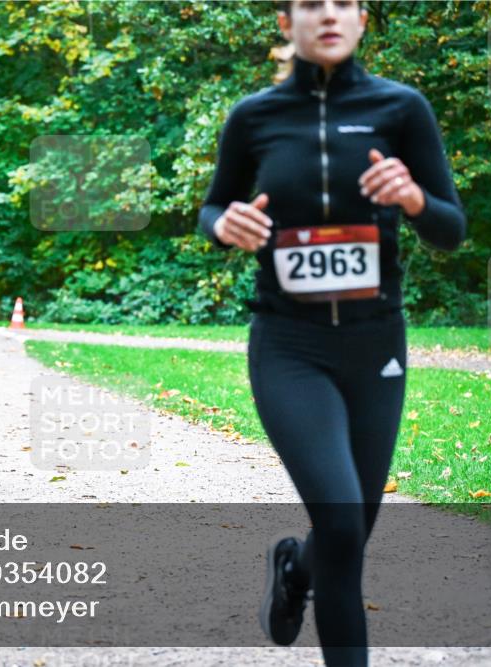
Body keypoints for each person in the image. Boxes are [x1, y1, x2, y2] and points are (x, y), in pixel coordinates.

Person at [197, 1, 465, 665]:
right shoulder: (253, 117)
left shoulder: (402, 109)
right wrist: (223, 225)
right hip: (290, 345)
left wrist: (412, 199)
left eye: (343, 3)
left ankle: (295, 568)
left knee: (349, 531)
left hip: (375, 343)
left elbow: (449, 229)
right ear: (287, 22)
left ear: (363, 19)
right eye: (311, 4)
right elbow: (212, 206)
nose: (329, 15)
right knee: (342, 521)